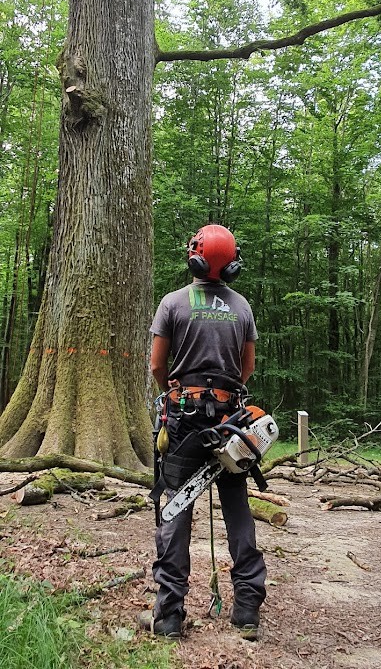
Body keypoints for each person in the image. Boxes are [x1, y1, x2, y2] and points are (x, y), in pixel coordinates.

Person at [148, 224, 266, 640]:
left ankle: (169, 614)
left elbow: (158, 366)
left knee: (176, 508)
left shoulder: (173, 303)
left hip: (184, 420)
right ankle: (247, 607)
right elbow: (245, 368)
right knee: (236, 507)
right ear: (231, 264)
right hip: (230, 423)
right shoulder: (242, 307)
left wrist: (175, 395)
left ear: (195, 257)